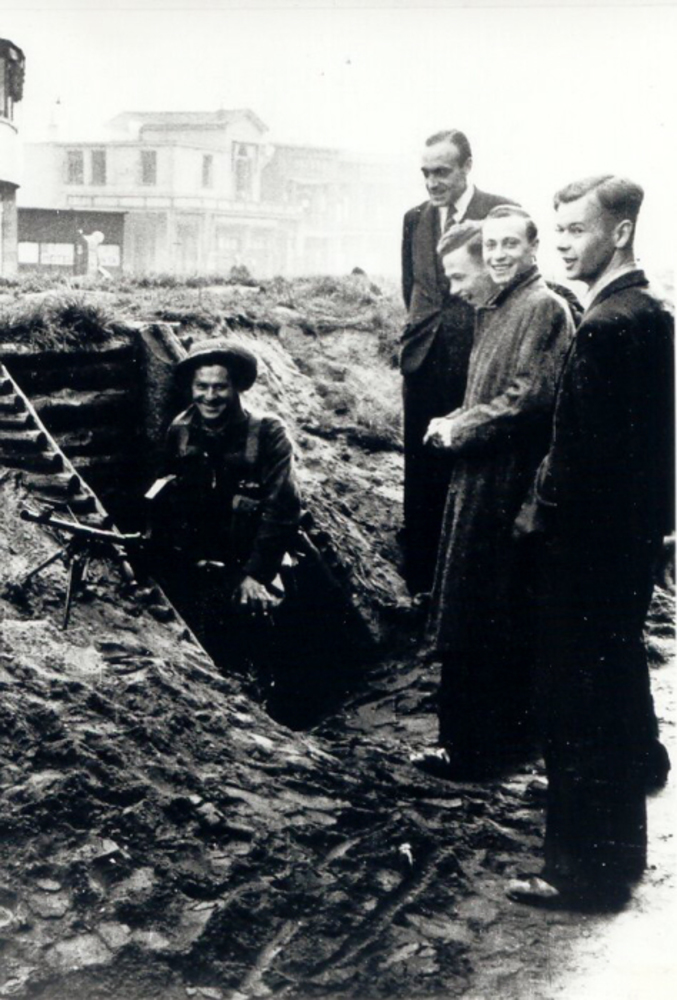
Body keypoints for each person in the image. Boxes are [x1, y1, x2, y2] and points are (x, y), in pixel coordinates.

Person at [507, 176, 674, 910]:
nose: (563, 244)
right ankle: (613, 864)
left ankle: (582, 874)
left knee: (576, 705)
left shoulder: (608, 324)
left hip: (585, 550)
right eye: (559, 230)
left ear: (620, 232)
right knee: (607, 695)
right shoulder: (650, 310)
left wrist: (538, 518)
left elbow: (581, 455)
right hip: (623, 546)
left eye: (576, 229)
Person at [415, 205, 575, 778]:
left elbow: (530, 397)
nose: (500, 255)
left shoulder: (542, 307)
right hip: (483, 480)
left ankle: (477, 751)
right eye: (493, 245)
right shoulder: (504, 308)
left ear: (533, 248)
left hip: (505, 485)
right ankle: (475, 742)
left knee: (486, 609)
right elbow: (497, 393)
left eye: (510, 244)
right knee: (477, 606)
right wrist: (458, 418)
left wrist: (461, 428)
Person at [147, 339, 302, 680]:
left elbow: (283, 507)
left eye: (220, 387)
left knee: (266, 623)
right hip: (205, 560)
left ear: (236, 388)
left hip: (257, 557)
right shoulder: (179, 432)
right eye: (201, 387)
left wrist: (256, 574)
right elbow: (168, 500)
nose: (210, 396)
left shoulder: (268, 431)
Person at [400, 129, 513, 596]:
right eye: (425, 173)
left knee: (467, 468)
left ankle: (462, 584)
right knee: (420, 468)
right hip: (423, 360)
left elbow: (509, 287)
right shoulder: (414, 218)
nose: (432, 182)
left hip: (476, 360)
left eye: (442, 171)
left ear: (467, 166)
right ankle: (419, 581)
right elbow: (412, 287)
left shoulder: (501, 213)